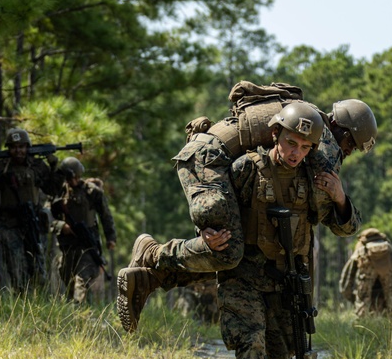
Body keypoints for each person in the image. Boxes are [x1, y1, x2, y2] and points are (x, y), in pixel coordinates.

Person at [117, 80, 376, 331]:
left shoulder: (308, 124)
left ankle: (150, 278)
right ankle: (151, 253)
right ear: (340, 128)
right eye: (351, 143)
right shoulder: (324, 143)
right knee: (226, 250)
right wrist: (338, 199)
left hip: (212, 158)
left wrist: (340, 198)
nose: (349, 151)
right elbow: (327, 216)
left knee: (247, 258)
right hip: (206, 160)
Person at [214, 102, 360, 359]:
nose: (297, 153)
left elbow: (344, 228)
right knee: (252, 342)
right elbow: (214, 203)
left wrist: (340, 197)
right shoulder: (248, 168)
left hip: (285, 281)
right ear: (276, 134)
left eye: (306, 148)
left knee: (282, 358)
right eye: (292, 143)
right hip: (243, 277)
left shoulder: (312, 182)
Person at [0, 127, 63, 290]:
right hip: (10, 224)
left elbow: (52, 189)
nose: (18, 151)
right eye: (14, 147)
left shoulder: (37, 166)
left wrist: (54, 168)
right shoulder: (0, 167)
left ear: (27, 147)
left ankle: (39, 304)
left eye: (22, 146)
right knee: (16, 269)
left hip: (33, 222)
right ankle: (22, 302)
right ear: (9, 148)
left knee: (38, 268)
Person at [50, 158, 117, 305]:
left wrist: (110, 237)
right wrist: (62, 226)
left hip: (87, 244)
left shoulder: (92, 192)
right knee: (68, 281)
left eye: (76, 177)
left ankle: (78, 308)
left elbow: (106, 216)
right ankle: (73, 312)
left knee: (83, 277)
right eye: (70, 178)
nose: (73, 181)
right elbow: (47, 216)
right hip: (67, 246)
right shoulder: (59, 192)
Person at [339, 228, 392, 317]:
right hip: (387, 280)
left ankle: (362, 324)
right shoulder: (388, 248)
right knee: (390, 299)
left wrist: (352, 298)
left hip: (366, 278)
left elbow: (347, 277)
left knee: (363, 304)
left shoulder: (361, 248)